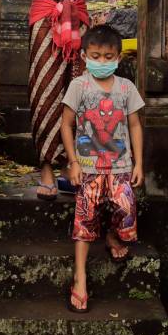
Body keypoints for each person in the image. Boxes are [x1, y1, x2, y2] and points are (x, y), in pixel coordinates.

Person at [19, 0, 110, 200]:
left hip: (78, 22)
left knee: (78, 96)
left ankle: (72, 169)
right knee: (46, 92)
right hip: (47, 21)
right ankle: (46, 169)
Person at [60, 25, 145, 313]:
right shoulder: (79, 86)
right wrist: (73, 162)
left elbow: (134, 125)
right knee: (84, 221)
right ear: (84, 56)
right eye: (96, 55)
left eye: (109, 57)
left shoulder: (126, 88)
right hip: (87, 168)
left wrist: (138, 162)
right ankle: (80, 277)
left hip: (120, 166)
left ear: (119, 58)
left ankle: (111, 235)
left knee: (126, 208)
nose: (102, 61)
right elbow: (66, 124)